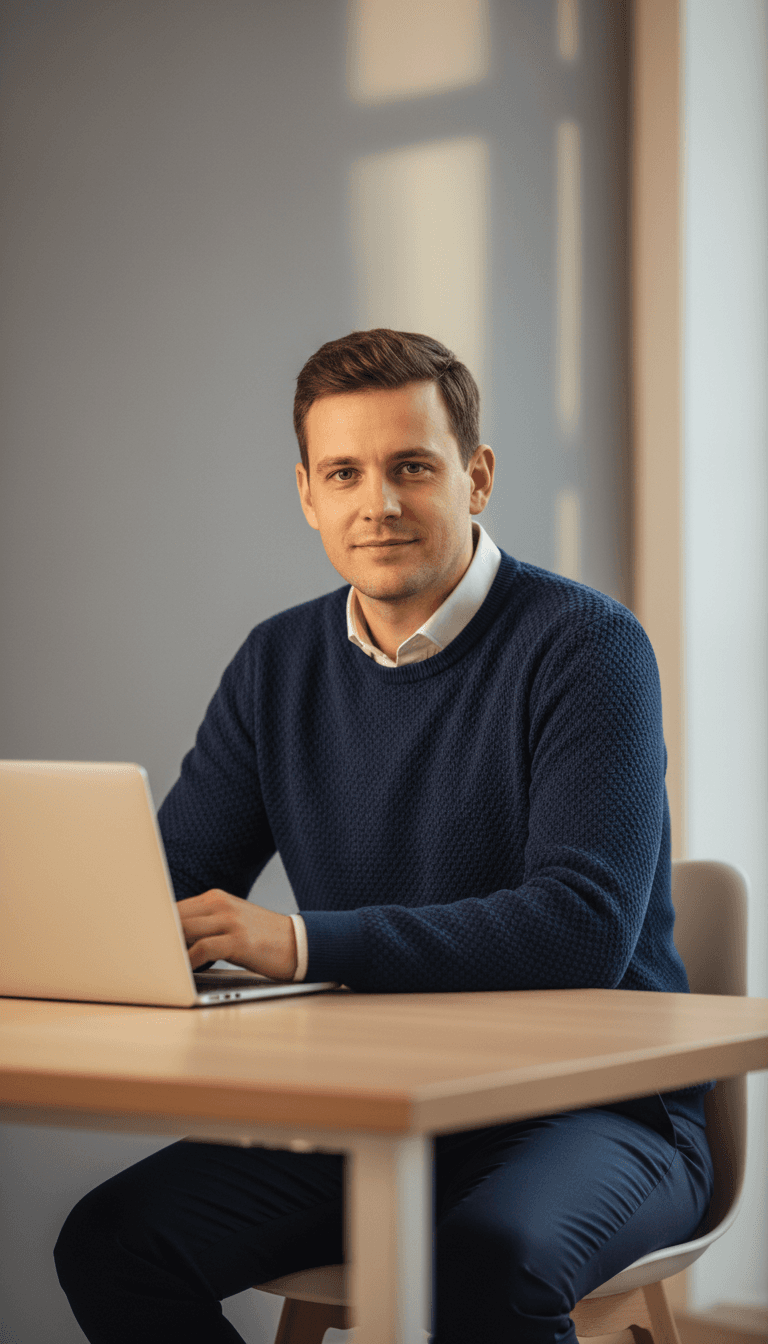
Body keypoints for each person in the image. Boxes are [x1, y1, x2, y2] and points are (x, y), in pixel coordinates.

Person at [54, 329, 714, 1344]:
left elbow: (579, 929)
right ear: (308, 494)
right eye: (344, 473)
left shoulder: (588, 646)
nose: (380, 503)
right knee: (114, 1240)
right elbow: (172, 887)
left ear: (476, 476)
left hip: (600, 1113)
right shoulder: (279, 663)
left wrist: (300, 941)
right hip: (378, 1113)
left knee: (485, 1263)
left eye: (412, 466)